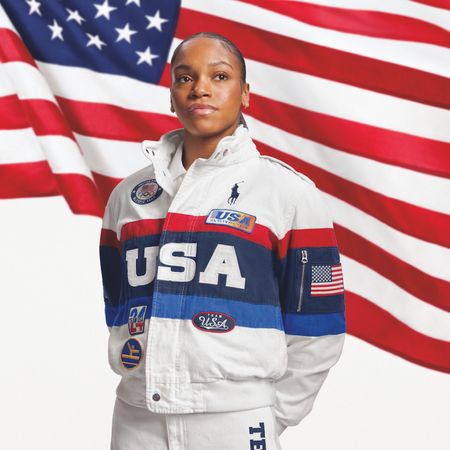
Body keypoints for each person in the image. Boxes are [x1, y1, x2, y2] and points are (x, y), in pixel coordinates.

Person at [99, 31, 346, 450]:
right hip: (136, 417)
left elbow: (319, 326)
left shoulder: (286, 192)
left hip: (235, 420)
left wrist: (272, 412)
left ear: (245, 94)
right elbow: (118, 304)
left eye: (219, 76)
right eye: (184, 77)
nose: (201, 88)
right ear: (171, 95)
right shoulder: (129, 196)